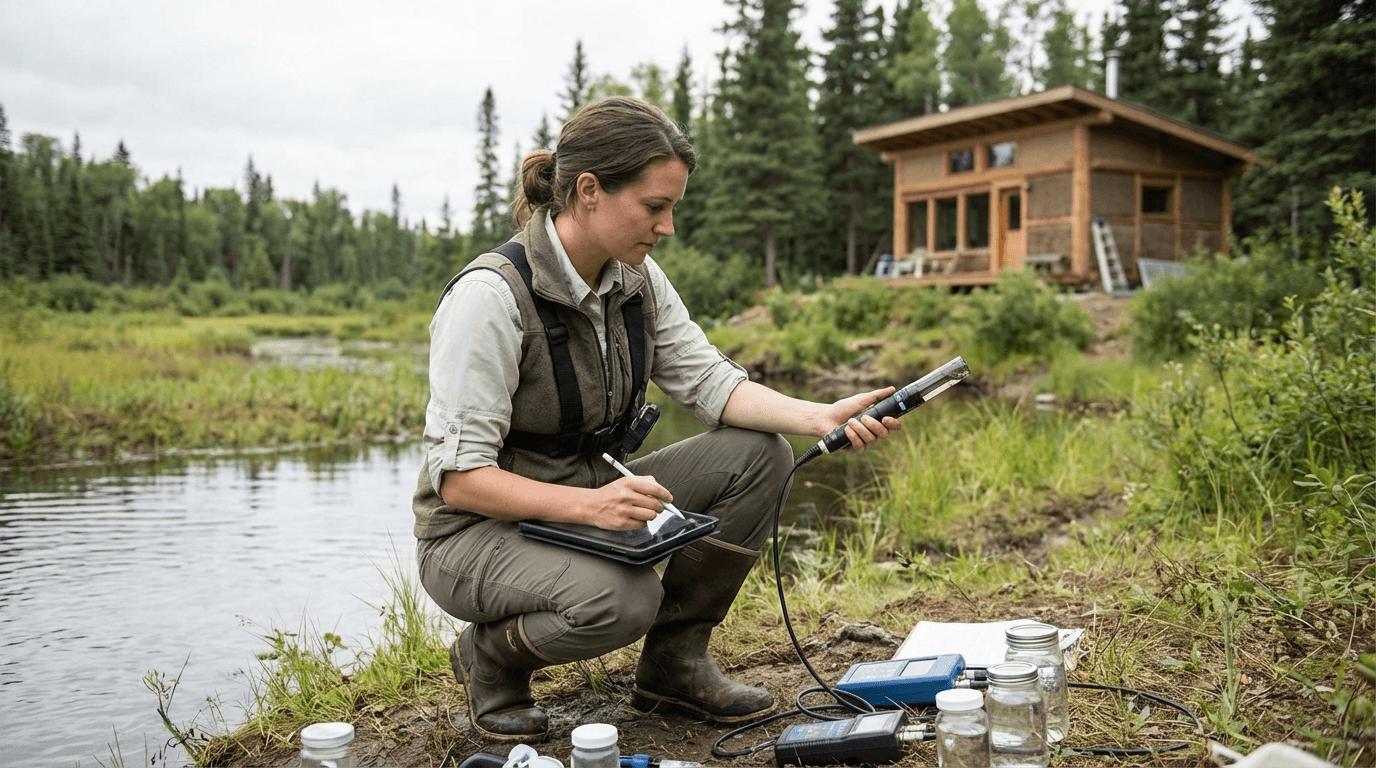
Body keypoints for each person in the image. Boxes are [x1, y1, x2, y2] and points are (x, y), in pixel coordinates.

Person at [413, 96, 903, 743]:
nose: (667, 226)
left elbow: (712, 382)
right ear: (589, 191)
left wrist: (819, 415)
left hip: (584, 498)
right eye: (654, 207)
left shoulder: (637, 278)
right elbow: (461, 480)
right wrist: (591, 509)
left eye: (672, 207)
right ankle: (491, 658)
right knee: (623, 599)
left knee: (761, 455)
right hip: (474, 533)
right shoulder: (490, 298)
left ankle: (674, 664)